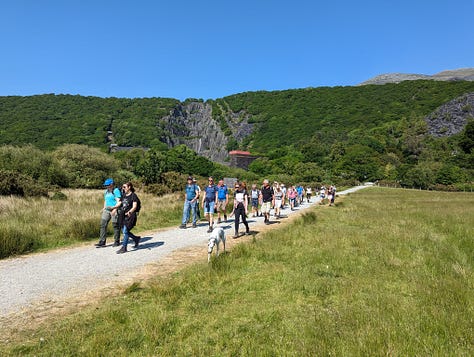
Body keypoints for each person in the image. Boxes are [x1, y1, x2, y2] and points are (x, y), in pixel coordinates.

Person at [95, 178, 122, 247]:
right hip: (107, 209)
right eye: (106, 185)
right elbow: (106, 201)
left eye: (108, 185)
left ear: (112, 184)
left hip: (114, 208)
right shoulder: (106, 192)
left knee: (115, 225)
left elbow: (119, 202)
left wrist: (115, 209)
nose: (106, 186)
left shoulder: (115, 191)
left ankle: (116, 241)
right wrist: (104, 208)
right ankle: (102, 241)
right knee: (103, 224)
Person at [116, 182, 140, 254]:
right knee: (124, 231)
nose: (123, 188)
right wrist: (114, 208)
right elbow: (120, 203)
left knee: (125, 231)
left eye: (124, 187)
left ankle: (124, 247)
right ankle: (136, 239)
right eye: (122, 187)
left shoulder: (133, 196)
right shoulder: (123, 195)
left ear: (129, 187)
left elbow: (134, 206)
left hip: (130, 216)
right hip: (123, 215)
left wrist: (130, 212)